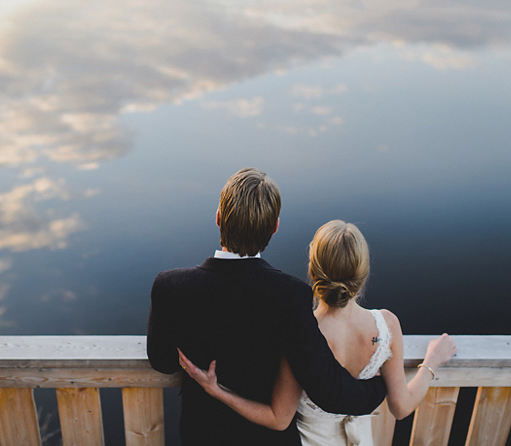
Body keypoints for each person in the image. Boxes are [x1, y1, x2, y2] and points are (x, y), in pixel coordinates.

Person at [147, 169, 387, 446]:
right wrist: (379, 387)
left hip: (202, 434)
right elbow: (328, 391)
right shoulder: (292, 296)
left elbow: (162, 362)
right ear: (274, 226)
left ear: (218, 218)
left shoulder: (170, 286)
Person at [179, 219, 457, 446]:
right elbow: (401, 407)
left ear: (313, 270)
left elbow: (279, 418)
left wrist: (217, 391)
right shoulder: (386, 325)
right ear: (363, 272)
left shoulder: (301, 332)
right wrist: (430, 362)